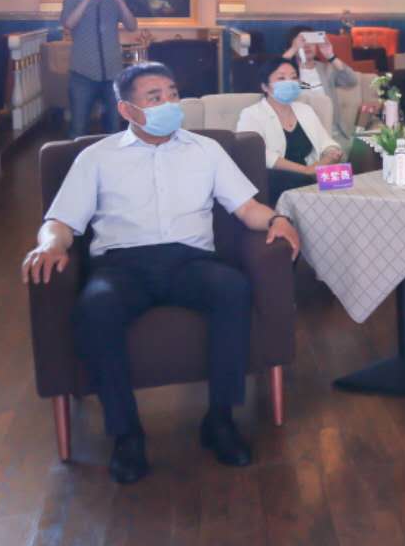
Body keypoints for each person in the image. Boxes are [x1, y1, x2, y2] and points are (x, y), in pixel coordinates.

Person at [21, 62, 301, 484]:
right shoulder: (96, 157)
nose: (169, 103)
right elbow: (60, 221)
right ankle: (127, 436)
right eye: (155, 97)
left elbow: (246, 207)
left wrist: (277, 219)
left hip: (190, 262)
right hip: (121, 266)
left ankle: (220, 420)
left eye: (172, 93)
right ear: (126, 109)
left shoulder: (206, 150)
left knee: (233, 290)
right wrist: (49, 244)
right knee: (96, 308)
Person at [236, 57, 343, 204]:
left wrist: (329, 156)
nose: (290, 82)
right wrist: (305, 170)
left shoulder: (305, 110)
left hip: (311, 174)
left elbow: (327, 143)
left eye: (293, 77)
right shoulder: (251, 114)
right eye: (281, 78)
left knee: (346, 179)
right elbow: (257, 153)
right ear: (265, 87)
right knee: (303, 184)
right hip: (276, 179)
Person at [61, 0, 140, 138]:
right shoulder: (72, 1)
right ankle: (77, 157)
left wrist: (119, 0)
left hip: (113, 74)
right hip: (82, 74)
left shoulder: (112, 2)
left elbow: (132, 26)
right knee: (78, 128)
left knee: (114, 128)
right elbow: (69, 24)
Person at [280, 26, 360, 141]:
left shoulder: (326, 69)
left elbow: (351, 81)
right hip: (300, 133)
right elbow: (272, 74)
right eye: (302, 42)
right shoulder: (286, 73)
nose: (307, 46)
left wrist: (330, 56)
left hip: (330, 131)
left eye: (311, 42)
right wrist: (292, 50)